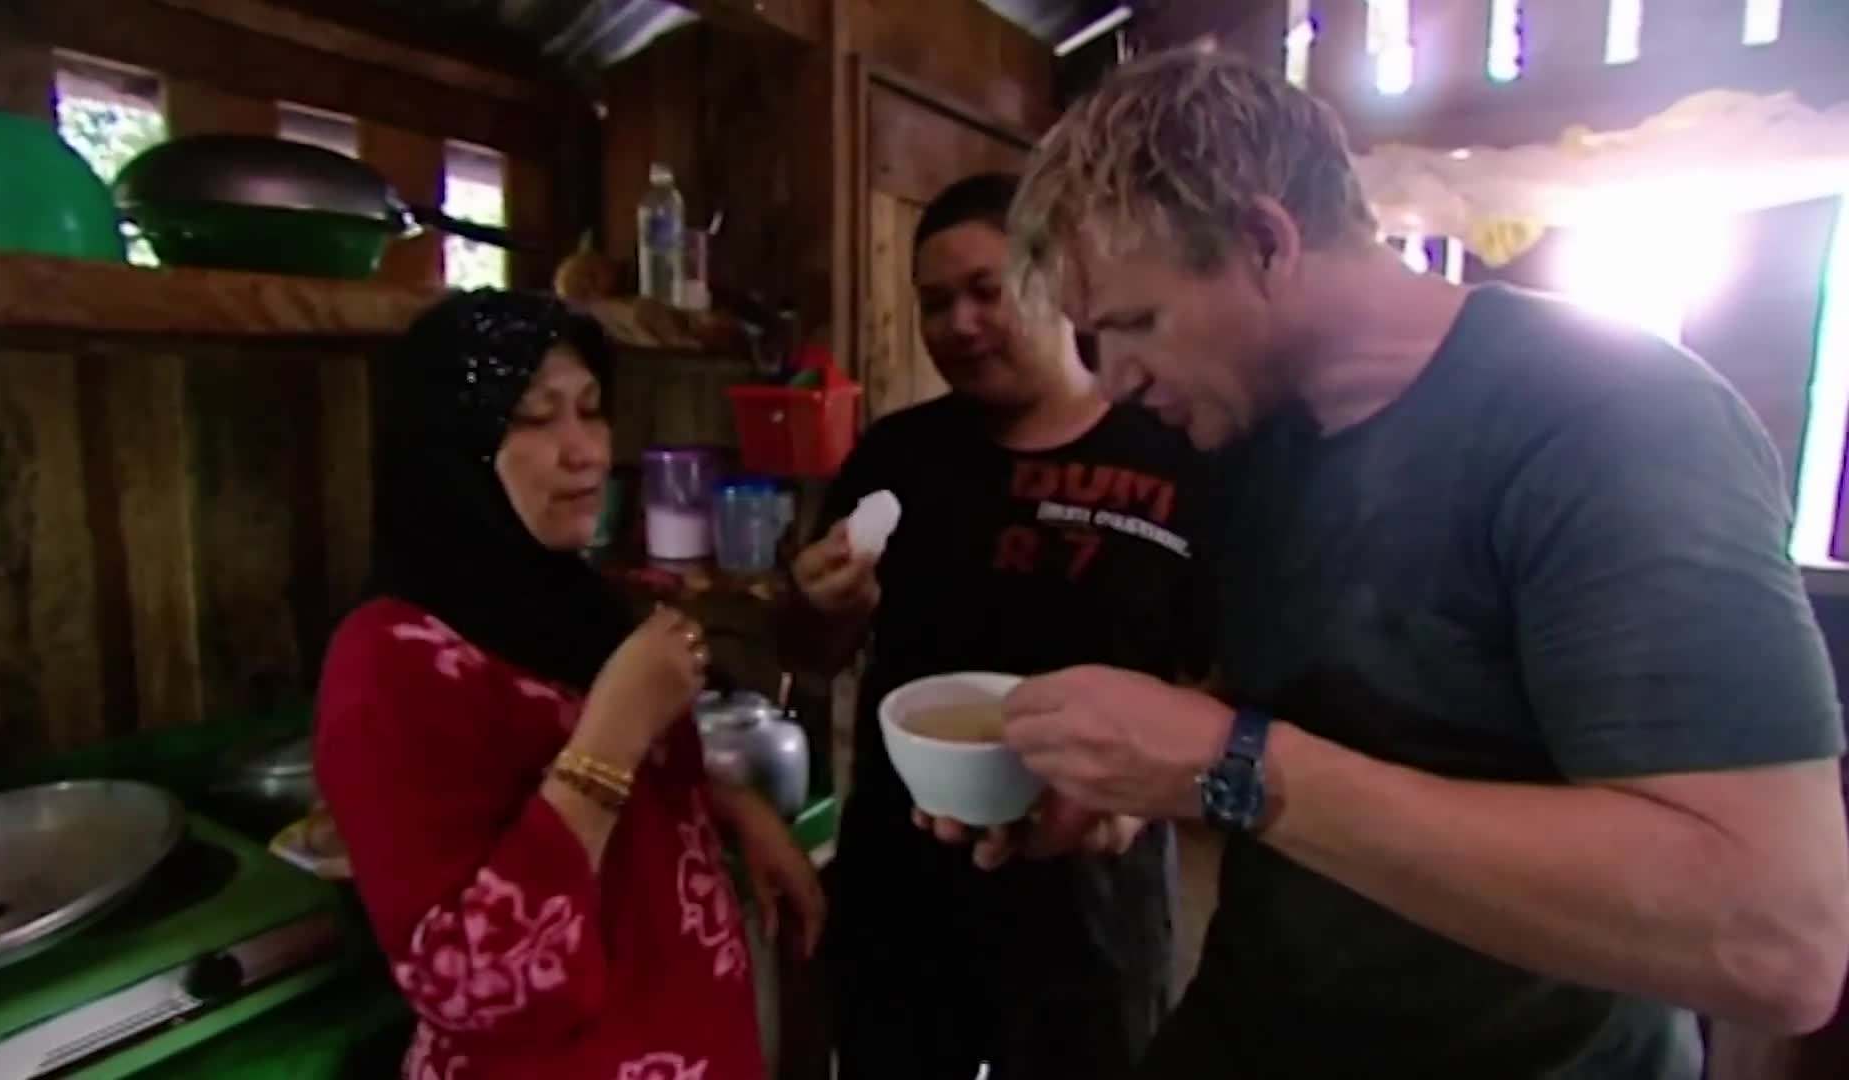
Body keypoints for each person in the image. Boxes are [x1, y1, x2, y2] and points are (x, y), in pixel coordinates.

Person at [975, 46, 1849, 1079]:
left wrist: (1235, 767)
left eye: (1134, 324)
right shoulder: (1247, 433)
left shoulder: (1614, 421)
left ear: (1265, 242)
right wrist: (1130, 782)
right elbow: (1331, 696)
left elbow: (1775, 938)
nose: (1113, 381)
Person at [314, 291, 824, 1080]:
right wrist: (615, 730)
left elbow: (605, 777)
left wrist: (733, 805)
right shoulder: (386, 661)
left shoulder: (566, 596)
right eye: (534, 417)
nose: (586, 450)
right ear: (451, 448)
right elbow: (471, 984)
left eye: (591, 410)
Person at [789, 173, 1228, 1079]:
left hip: (1092, 888)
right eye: (935, 303)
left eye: (984, 291)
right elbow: (811, 658)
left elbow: (1222, 673)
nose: (958, 323)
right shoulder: (895, 458)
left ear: (1055, 281)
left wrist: (1146, 796)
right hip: (904, 880)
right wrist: (822, 610)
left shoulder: (1171, 455)